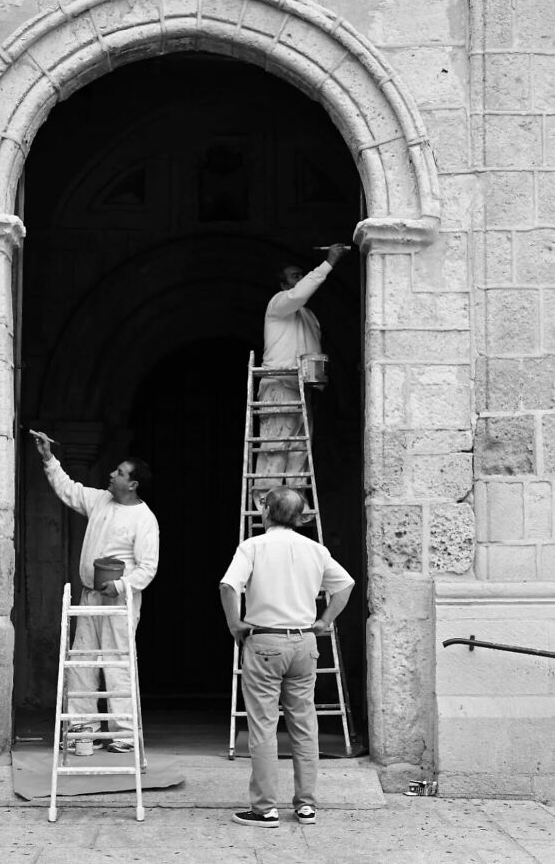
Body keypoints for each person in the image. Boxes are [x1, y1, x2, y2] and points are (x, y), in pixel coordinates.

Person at [219, 486, 354, 827]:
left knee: (264, 727)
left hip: (264, 642)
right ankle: (306, 805)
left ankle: (265, 808)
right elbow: (345, 585)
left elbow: (228, 586)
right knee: (304, 725)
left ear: (266, 512)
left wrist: (235, 624)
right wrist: (324, 620)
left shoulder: (253, 547)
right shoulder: (315, 549)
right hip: (304, 642)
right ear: (299, 517)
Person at [33, 432, 159, 754]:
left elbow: (147, 568)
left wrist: (117, 585)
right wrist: (49, 458)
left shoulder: (145, 519)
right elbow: (69, 490)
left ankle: (125, 734)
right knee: (83, 661)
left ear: (132, 484)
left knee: (117, 663)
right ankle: (82, 730)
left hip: (120, 600)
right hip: (90, 596)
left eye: (119, 473)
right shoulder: (101, 500)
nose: (111, 475)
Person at [253, 244, 347, 509]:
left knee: (298, 455)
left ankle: (293, 509)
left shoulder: (309, 317)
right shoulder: (279, 303)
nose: (300, 279)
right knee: (275, 449)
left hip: (301, 389)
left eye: (300, 274)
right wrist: (328, 264)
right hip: (279, 386)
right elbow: (298, 295)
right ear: (283, 284)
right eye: (294, 276)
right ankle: (266, 507)